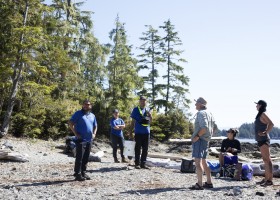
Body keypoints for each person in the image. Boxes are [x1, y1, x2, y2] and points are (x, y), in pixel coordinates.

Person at [189, 97, 216, 190]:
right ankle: (209, 182)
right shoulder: (210, 113)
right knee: (204, 161)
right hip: (206, 140)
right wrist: (208, 136)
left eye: (196, 103)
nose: (195, 105)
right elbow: (215, 127)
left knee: (198, 161)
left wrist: (197, 137)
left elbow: (204, 128)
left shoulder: (201, 113)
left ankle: (199, 184)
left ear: (200, 104)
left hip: (200, 140)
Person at [68, 99, 97, 181]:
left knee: (86, 157)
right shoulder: (78, 114)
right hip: (81, 139)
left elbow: (95, 125)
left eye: (87, 104)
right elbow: (70, 123)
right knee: (79, 157)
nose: (86, 106)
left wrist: (94, 133)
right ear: (82, 105)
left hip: (89, 139)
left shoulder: (92, 115)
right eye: (84, 104)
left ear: (90, 106)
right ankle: (77, 173)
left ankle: (83, 172)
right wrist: (75, 133)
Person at [254, 100, 274, 186]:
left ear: (261, 105)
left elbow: (271, 124)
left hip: (264, 139)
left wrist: (265, 132)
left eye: (257, 105)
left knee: (267, 160)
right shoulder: (260, 114)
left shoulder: (263, 114)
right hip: (260, 140)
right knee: (265, 160)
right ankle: (266, 178)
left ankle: (269, 180)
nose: (256, 106)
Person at [130, 96, 152, 169]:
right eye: (142, 101)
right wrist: (130, 131)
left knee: (145, 149)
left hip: (146, 132)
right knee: (137, 148)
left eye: (145, 101)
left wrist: (150, 115)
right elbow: (133, 121)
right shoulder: (136, 109)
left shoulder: (148, 109)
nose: (143, 102)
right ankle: (137, 163)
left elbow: (150, 121)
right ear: (139, 101)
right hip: (138, 132)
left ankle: (143, 163)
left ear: (146, 102)